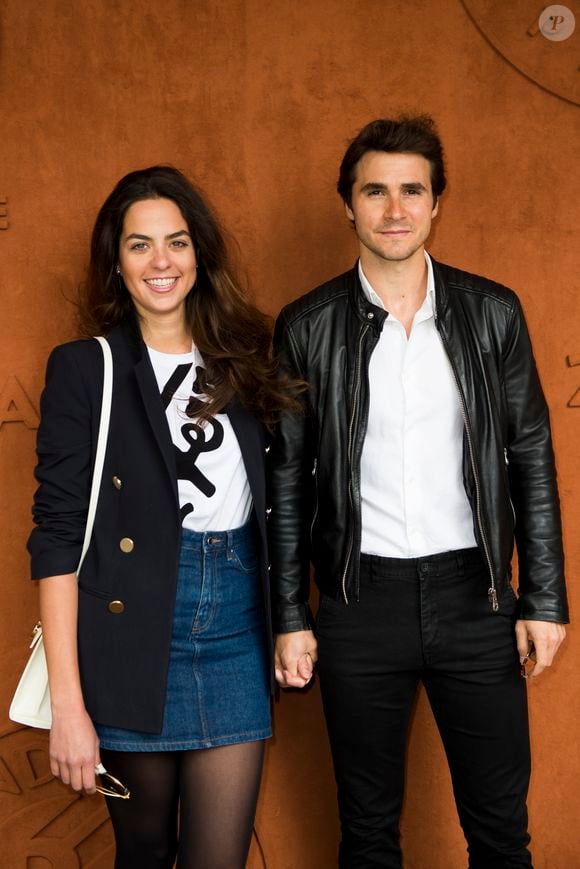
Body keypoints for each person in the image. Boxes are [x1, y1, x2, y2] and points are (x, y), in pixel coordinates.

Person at [268, 115, 569, 868]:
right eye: (376, 191)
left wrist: (545, 597)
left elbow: (530, 452)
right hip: (356, 601)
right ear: (349, 205)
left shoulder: (492, 312)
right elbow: (285, 480)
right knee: (368, 833)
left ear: (436, 204)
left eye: (412, 190)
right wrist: (289, 614)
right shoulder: (306, 325)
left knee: (501, 830)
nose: (394, 209)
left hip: (476, 597)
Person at [28, 165, 296, 869]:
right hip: (133, 628)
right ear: (115, 261)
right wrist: (69, 705)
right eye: (140, 244)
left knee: (219, 859)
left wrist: (291, 618)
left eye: (176, 242)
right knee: (144, 851)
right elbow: (56, 538)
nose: (161, 262)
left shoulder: (245, 358)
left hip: (237, 624)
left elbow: (286, 501)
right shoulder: (86, 368)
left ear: (199, 252)